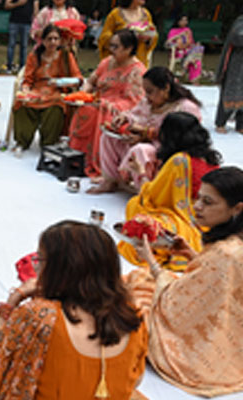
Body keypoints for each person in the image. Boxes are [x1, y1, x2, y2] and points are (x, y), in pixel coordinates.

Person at [0, 221, 147, 400]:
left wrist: (13, 301)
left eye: (40, 259)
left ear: (62, 270)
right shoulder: (133, 315)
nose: (35, 267)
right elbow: (135, 380)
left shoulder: (40, 316)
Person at [126, 166, 243, 397]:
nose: (197, 206)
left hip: (200, 353)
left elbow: (176, 304)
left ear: (237, 208)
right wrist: (192, 255)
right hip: (231, 331)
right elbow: (220, 279)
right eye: (198, 198)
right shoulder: (234, 241)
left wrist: (152, 262)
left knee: (137, 285)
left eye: (208, 202)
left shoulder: (226, 252)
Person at [118, 112, 221, 271]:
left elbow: (153, 195)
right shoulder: (210, 158)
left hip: (187, 219)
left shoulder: (179, 160)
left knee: (135, 205)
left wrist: (141, 173)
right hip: (211, 220)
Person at [88, 66, 202, 194]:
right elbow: (134, 114)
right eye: (145, 92)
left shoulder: (185, 107)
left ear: (166, 88)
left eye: (150, 92)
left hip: (165, 152)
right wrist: (123, 118)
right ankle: (111, 180)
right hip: (144, 143)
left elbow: (184, 139)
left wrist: (147, 134)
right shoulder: (148, 102)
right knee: (108, 137)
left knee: (141, 150)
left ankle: (144, 191)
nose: (146, 97)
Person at [69, 29, 145, 176]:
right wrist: (84, 94)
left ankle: (97, 163)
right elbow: (91, 81)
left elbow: (135, 102)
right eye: (111, 45)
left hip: (119, 110)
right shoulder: (107, 62)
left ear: (129, 49)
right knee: (86, 109)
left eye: (116, 47)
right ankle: (77, 158)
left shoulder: (137, 71)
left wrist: (108, 105)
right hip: (99, 101)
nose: (111, 50)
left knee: (100, 113)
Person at [12, 25, 81, 152]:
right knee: (22, 103)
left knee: (57, 105)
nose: (53, 42)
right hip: (36, 90)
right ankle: (22, 141)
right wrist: (26, 90)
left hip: (56, 92)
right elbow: (27, 79)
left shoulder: (66, 56)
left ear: (60, 41)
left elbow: (78, 78)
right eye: (49, 39)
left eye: (56, 39)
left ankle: (48, 143)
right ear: (43, 41)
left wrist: (60, 82)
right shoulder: (34, 56)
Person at [98, 0, 157, 68]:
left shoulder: (146, 14)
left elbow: (152, 33)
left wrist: (148, 38)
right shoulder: (115, 14)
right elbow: (104, 37)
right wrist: (123, 38)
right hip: (118, 62)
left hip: (139, 61)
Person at [215, 15, 243, 134]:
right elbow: (236, 38)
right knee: (230, 92)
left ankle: (240, 124)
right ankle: (221, 122)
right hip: (237, 64)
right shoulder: (241, 22)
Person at [165, 14, 204, 84]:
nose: (185, 22)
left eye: (186, 20)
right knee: (195, 59)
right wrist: (179, 35)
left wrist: (194, 45)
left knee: (199, 48)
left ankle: (192, 77)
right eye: (182, 20)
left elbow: (191, 42)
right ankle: (188, 64)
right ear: (178, 21)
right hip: (178, 51)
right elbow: (168, 43)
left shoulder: (188, 30)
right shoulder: (173, 31)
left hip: (188, 50)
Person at [4, 0, 39, 72]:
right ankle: (9, 67)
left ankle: (22, 68)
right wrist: (18, 4)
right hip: (14, 22)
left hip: (27, 23)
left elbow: (36, 9)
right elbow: (6, 6)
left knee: (24, 46)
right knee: (11, 45)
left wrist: (35, 23)